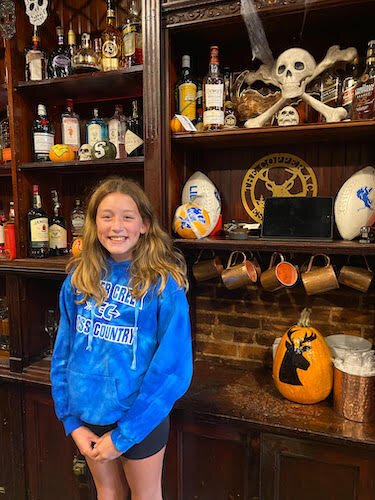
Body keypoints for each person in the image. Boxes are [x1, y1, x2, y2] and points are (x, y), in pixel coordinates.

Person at [50, 176, 193, 500]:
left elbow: (173, 370)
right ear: (93, 224)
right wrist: (71, 421)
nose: (117, 226)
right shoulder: (78, 279)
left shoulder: (163, 285)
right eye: (106, 216)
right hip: (88, 415)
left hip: (140, 417)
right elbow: (63, 354)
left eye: (127, 217)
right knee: (108, 493)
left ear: (144, 224)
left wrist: (125, 434)